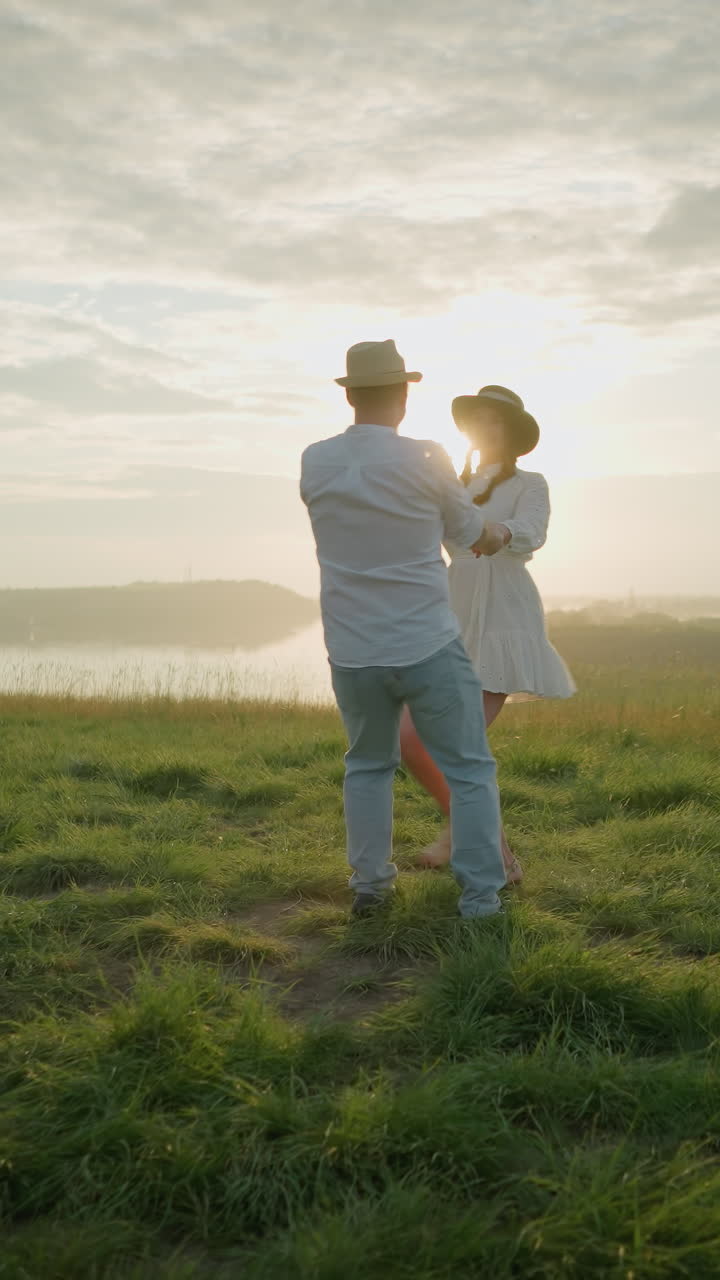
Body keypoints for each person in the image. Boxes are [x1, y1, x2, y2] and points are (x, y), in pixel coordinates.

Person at [300, 341, 507, 919]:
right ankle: (482, 899)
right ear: (403, 396)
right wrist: (497, 535)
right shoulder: (427, 456)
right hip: (426, 642)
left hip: (351, 646)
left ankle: (370, 889)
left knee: (367, 765)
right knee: (469, 768)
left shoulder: (315, 459)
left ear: (350, 394)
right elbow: (470, 532)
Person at [400, 385, 575, 880]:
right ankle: (461, 830)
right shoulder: (453, 484)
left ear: (514, 433)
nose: (484, 427)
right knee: (410, 739)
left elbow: (532, 532)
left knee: (459, 740)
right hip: (451, 614)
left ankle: (499, 858)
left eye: (494, 419)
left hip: (503, 613)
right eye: (477, 420)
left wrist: (494, 534)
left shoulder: (530, 483)